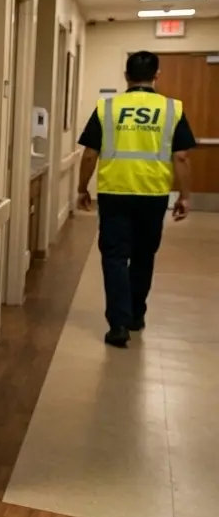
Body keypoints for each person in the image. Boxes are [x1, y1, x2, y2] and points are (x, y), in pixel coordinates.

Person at [75, 50, 195, 348]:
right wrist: (185, 195)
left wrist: (82, 188)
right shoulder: (172, 109)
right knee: (143, 255)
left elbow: (89, 154)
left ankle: (118, 324)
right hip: (153, 194)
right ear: (157, 75)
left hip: (114, 192)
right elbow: (181, 157)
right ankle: (136, 315)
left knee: (114, 256)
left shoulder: (108, 108)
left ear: (126, 75)